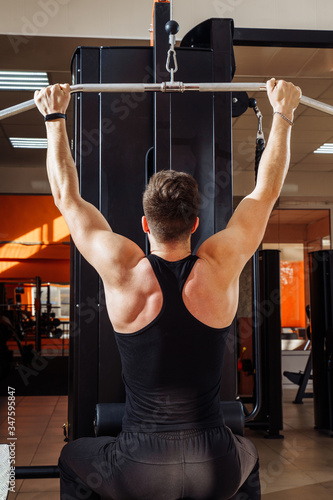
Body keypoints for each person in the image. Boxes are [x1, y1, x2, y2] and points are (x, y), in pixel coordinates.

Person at [34, 78, 301, 500]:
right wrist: (283, 113)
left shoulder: (124, 269)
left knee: (74, 457)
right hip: (215, 468)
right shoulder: (220, 264)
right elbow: (265, 193)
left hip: (138, 470)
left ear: (144, 223)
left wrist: (54, 117)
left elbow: (67, 198)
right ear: (196, 223)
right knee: (247, 453)